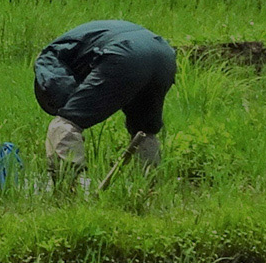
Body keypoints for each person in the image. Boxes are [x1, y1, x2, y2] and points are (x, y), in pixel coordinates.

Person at [35, 20, 177, 184]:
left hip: (124, 54)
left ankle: (67, 188)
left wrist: (71, 110)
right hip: (164, 55)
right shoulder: (78, 40)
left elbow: (57, 85)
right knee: (144, 130)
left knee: (64, 124)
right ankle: (149, 189)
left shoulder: (48, 56)